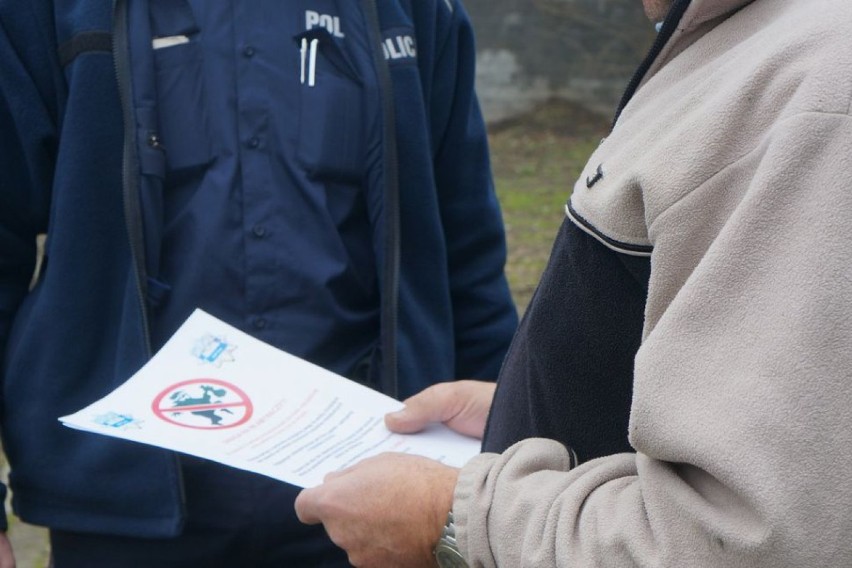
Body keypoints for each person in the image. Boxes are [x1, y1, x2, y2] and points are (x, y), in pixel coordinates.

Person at [294, 0, 852, 566]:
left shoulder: (820, 88)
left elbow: (742, 540)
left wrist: (454, 517)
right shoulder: (739, 40)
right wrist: (520, 409)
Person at [0, 0, 518, 566]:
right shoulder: (47, 11)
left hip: (373, 504)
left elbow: (467, 258)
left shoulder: (415, 12)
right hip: (126, 504)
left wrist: (503, 479)